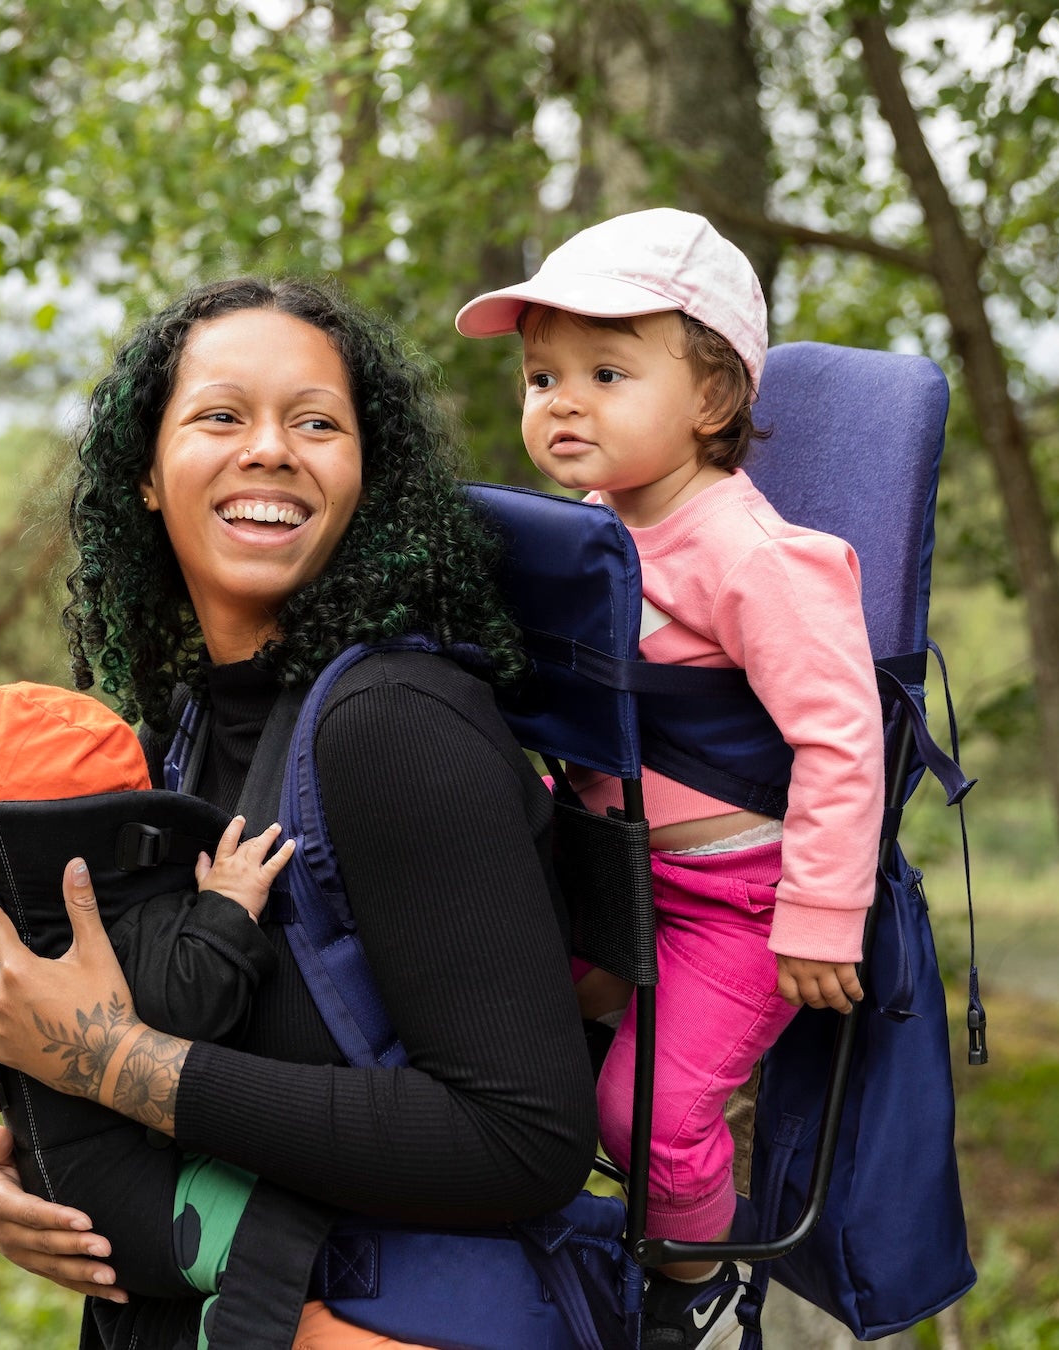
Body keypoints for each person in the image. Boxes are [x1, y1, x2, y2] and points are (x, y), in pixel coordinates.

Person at [0, 277, 597, 1349]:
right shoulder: (177, 733)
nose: (271, 450)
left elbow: (522, 1138)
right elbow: (136, 1021)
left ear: (363, 478)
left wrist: (110, 1065)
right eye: (220, 415)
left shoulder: (392, 725)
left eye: (316, 423)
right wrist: (19, 1180)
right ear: (147, 477)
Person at [453, 208, 886, 1349]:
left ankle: (686, 1285)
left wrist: (824, 916)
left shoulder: (752, 557)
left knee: (650, 1117)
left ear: (711, 401)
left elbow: (843, 737)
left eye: (605, 371)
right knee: (474, 1013)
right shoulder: (590, 533)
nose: (562, 400)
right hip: (611, 871)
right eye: (542, 375)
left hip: (736, 906)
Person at [0, 680, 301, 1343]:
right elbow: (195, 1003)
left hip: (70, 1196)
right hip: (143, 1211)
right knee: (285, 1240)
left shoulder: (0, 941)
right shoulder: (105, 927)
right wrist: (225, 909)